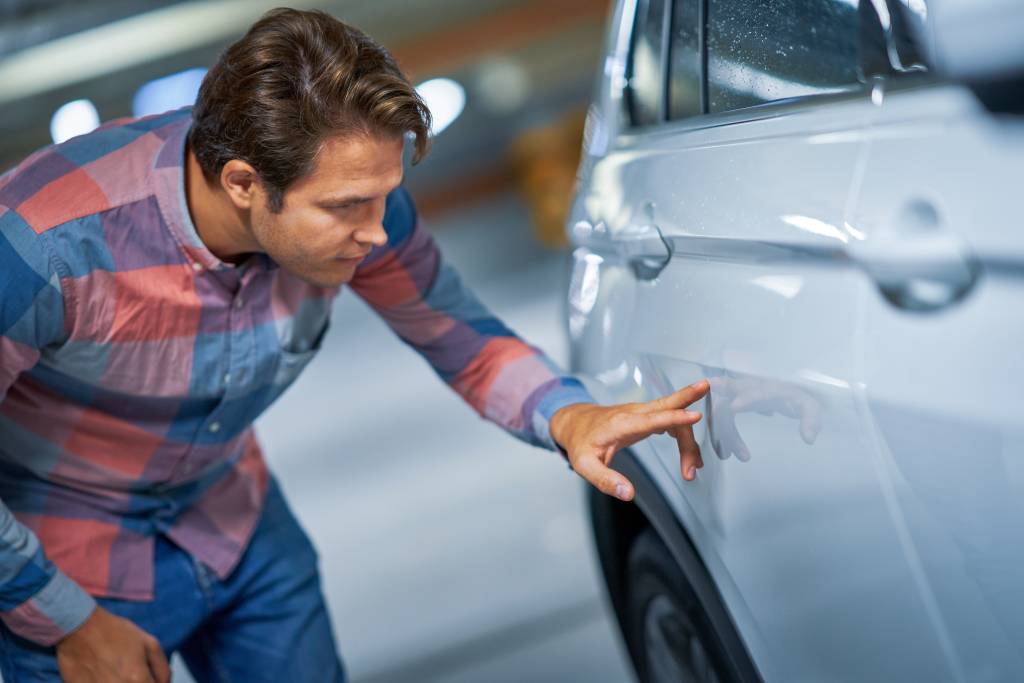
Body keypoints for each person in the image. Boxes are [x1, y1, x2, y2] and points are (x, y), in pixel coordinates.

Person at [0, 8, 708, 682]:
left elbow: (457, 334)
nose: (377, 233)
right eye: (345, 208)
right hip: (61, 566)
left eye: (385, 196)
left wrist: (569, 415)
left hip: (233, 520)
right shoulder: (42, 246)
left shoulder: (359, 202)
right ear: (243, 183)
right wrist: (70, 623)